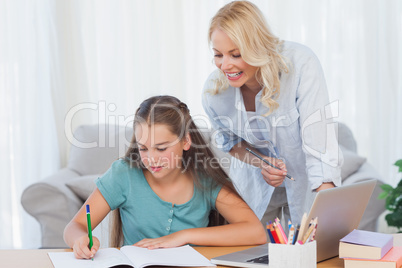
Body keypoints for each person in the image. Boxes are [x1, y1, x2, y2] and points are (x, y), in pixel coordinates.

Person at [64, 95, 266, 259]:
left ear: (186, 141)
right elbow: (75, 226)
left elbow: (256, 232)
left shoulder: (205, 180)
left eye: (161, 148)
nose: (151, 159)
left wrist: (183, 236)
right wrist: (79, 240)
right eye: (143, 148)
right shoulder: (123, 174)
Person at [202, 1, 343, 229]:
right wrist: (261, 162)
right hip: (256, 191)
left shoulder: (299, 64)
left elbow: (320, 143)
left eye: (236, 54)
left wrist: (326, 215)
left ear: (257, 48)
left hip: (306, 184)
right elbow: (230, 142)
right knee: (255, 258)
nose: (225, 65)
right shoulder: (215, 92)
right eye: (218, 55)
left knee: (310, 255)